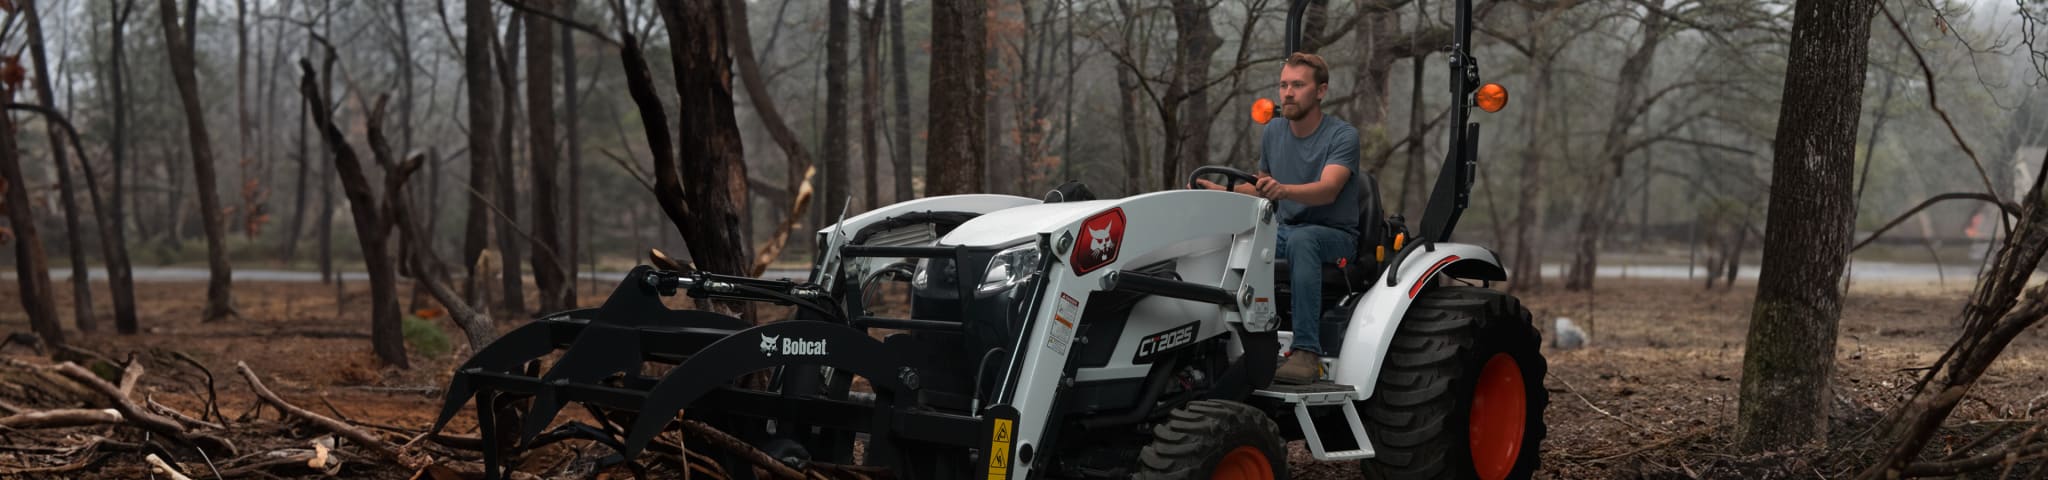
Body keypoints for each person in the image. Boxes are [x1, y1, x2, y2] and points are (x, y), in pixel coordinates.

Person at [1194, 52, 1360, 385]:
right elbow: (1263, 189)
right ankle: (1216, 339)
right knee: (1230, 237)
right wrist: (1224, 193)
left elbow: (1328, 190)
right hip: (1285, 230)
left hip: (1333, 236)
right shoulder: (1273, 132)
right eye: (1284, 85)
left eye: (1298, 85)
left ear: (1321, 91)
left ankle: (1305, 353)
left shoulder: (1342, 136)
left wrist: (1282, 191)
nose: (1287, 93)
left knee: (1303, 240)